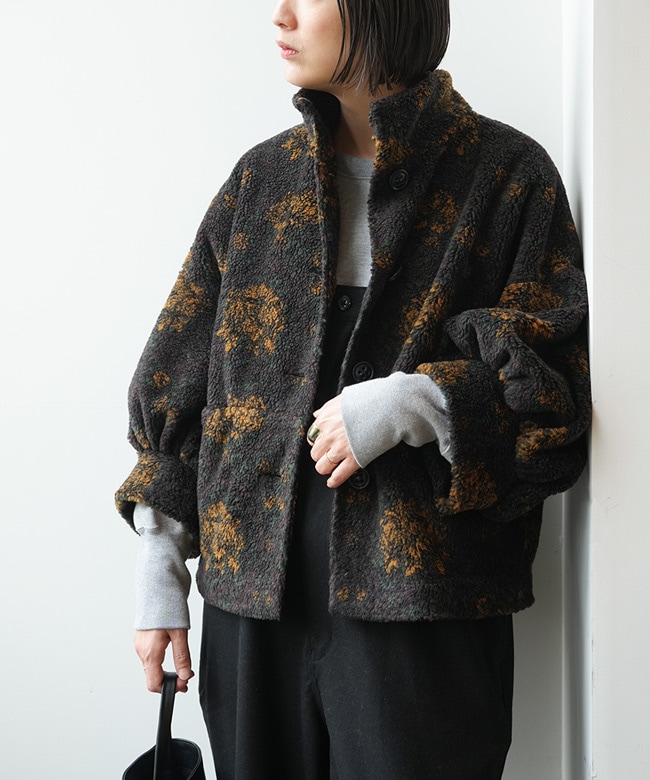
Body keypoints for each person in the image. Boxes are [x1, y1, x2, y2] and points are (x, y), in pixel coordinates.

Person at [115, 0, 591, 777]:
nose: (280, 15)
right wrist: (160, 574)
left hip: (423, 617)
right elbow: (178, 380)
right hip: (250, 613)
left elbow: (553, 400)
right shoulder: (260, 184)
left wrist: (417, 403)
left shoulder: (505, 177)